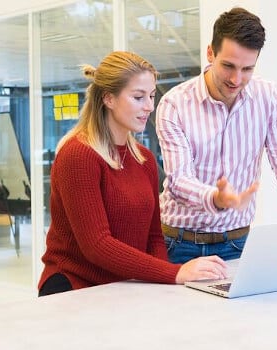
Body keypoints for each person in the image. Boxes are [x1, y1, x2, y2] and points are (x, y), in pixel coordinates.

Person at [38, 51, 228, 296]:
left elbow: (154, 238)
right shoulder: (78, 155)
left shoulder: (144, 159)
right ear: (108, 98)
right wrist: (174, 273)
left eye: (151, 96)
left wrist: (163, 283)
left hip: (125, 286)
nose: (149, 107)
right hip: (75, 288)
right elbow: (96, 245)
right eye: (138, 97)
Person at [155, 8, 277, 264]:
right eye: (228, 65)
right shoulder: (174, 104)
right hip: (178, 244)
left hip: (236, 242)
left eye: (247, 68)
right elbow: (179, 180)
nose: (236, 79)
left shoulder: (268, 97)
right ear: (210, 53)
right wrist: (215, 198)